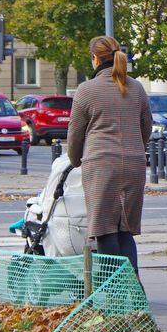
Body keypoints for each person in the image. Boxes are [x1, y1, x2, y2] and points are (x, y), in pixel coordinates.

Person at [66, 36, 153, 276]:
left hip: (101, 165)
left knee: (104, 230)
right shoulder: (136, 88)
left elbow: (75, 133)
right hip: (134, 165)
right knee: (125, 230)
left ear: (94, 58)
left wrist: (74, 160)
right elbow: (146, 126)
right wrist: (135, 147)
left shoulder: (86, 90)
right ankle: (133, 289)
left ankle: (117, 293)